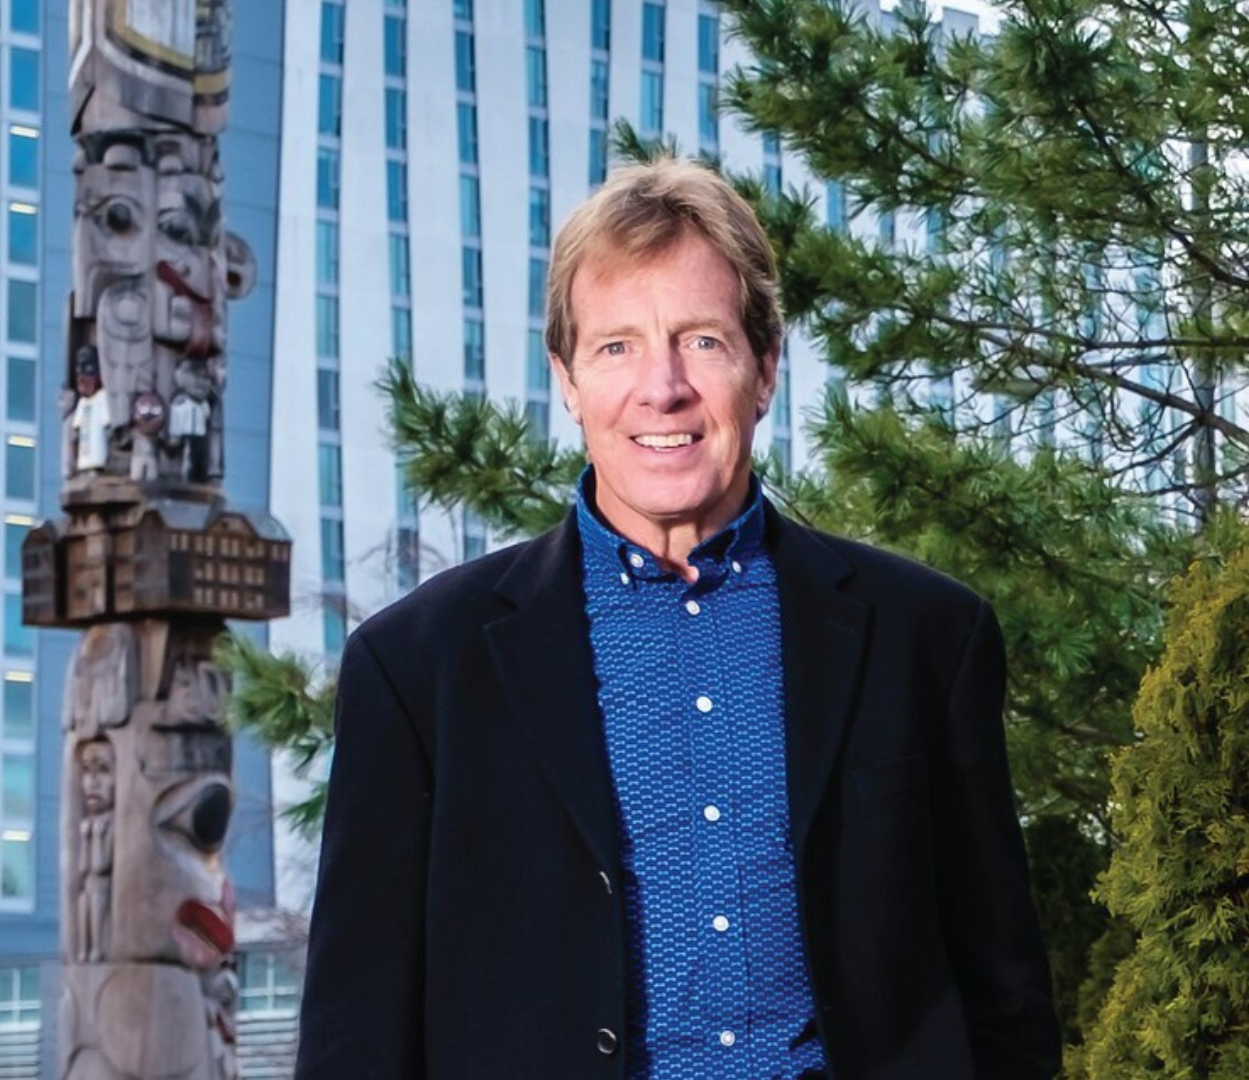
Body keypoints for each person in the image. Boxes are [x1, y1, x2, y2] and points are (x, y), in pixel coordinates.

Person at [294, 158, 1061, 1080]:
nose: (662, 389)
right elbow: (356, 1039)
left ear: (765, 367)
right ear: (568, 382)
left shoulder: (926, 638)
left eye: (701, 340)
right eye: (616, 347)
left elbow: (1005, 1003)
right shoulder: (416, 670)